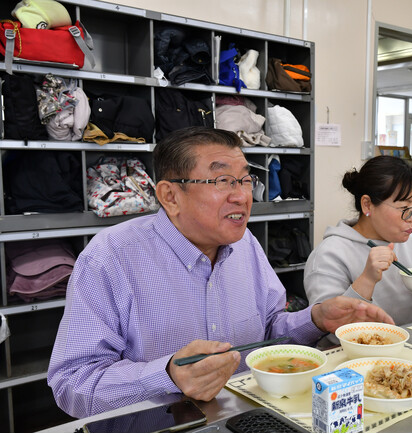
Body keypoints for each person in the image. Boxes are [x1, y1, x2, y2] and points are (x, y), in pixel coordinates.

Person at [47, 127, 393, 418]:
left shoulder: (246, 246)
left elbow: (270, 332)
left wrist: (316, 319)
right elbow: (72, 384)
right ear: (170, 196)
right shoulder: (111, 257)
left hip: (247, 417)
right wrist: (167, 375)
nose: (242, 196)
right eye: (224, 180)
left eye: (246, 180)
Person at [304, 155, 412, 330]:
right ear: (367, 205)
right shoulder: (329, 254)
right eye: (404, 209)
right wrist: (367, 279)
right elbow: (328, 330)